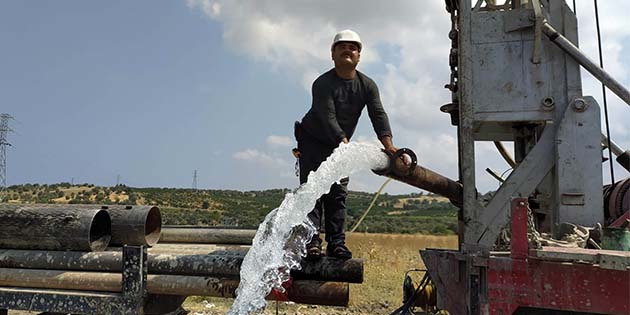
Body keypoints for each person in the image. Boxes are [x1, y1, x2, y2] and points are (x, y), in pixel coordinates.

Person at [294, 29, 399, 260]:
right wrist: (343, 142)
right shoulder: (322, 83)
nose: (347, 50)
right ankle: (312, 243)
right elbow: (327, 115)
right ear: (332, 54)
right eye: (341, 46)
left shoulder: (367, 85)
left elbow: (378, 114)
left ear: (359, 56)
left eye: (353, 47)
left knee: (337, 194)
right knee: (312, 192)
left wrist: (389, 145)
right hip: (313, 142)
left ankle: (336, 244)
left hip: (341, 145)